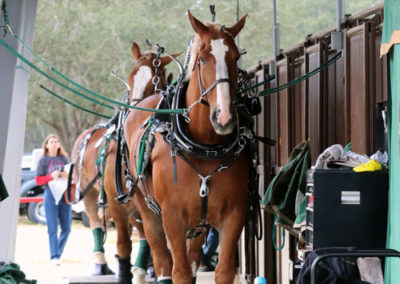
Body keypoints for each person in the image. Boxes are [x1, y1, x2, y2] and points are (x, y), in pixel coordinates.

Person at [35, 134, 71, 266]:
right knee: (52, 228)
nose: (55, 143)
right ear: (46, 145)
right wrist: (51, 176)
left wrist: (66, 175)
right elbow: (38, 180)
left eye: (56, 141)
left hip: (64, 194)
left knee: (67, 228)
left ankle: (57, 253)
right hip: (50, 194)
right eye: (51, 142)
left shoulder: (63, 159)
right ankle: (54, 256)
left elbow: (71, 175)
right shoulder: (43, 160)